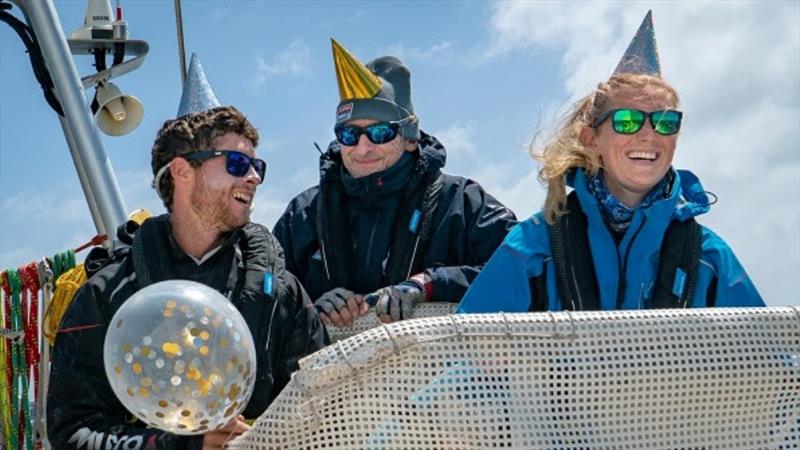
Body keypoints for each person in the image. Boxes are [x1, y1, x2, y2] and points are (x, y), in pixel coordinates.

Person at [47, 54, 328, 450]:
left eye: (256, 165)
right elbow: (72, 433)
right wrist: (179, 445)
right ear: (181, 172)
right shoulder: (105, 295)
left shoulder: (280, 292)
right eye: (236, 162)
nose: (253, 177)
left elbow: (323, 407)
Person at [458, 11, 764, 313]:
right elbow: (464, 353)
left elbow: (773, 356)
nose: (648, 134)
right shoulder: (532, 248)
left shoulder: (709, 257)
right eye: (627, 121)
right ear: (592, 139)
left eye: (665, 122)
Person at [274, 39, 517, 327]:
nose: (362, 148)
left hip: (443, 368)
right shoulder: (303, 212)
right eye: (349, 135)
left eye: (379, 133)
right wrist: (310, 303)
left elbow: (522, 270)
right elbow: (267, 288)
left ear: (411, 139)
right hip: (331, 370)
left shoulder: (462, 201)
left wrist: (429, 284)